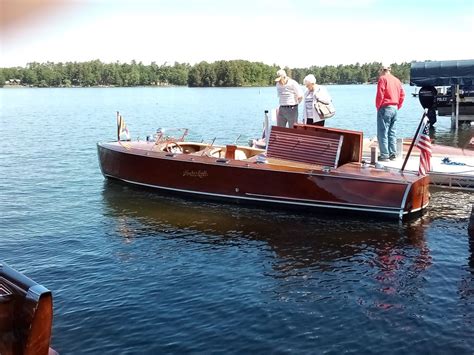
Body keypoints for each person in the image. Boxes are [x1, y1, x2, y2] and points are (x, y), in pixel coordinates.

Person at [375, 62, 405, 161]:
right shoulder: (397, 80)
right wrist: (398, 106)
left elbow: (380, 94)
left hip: (385, 107)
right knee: (392, 132)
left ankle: (384, 155)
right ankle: (393, 154)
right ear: (390, 69)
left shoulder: (382, 79)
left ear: (381, 70)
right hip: (395, 108)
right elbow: (402, 95)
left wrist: (378, 107)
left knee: (382, 132)